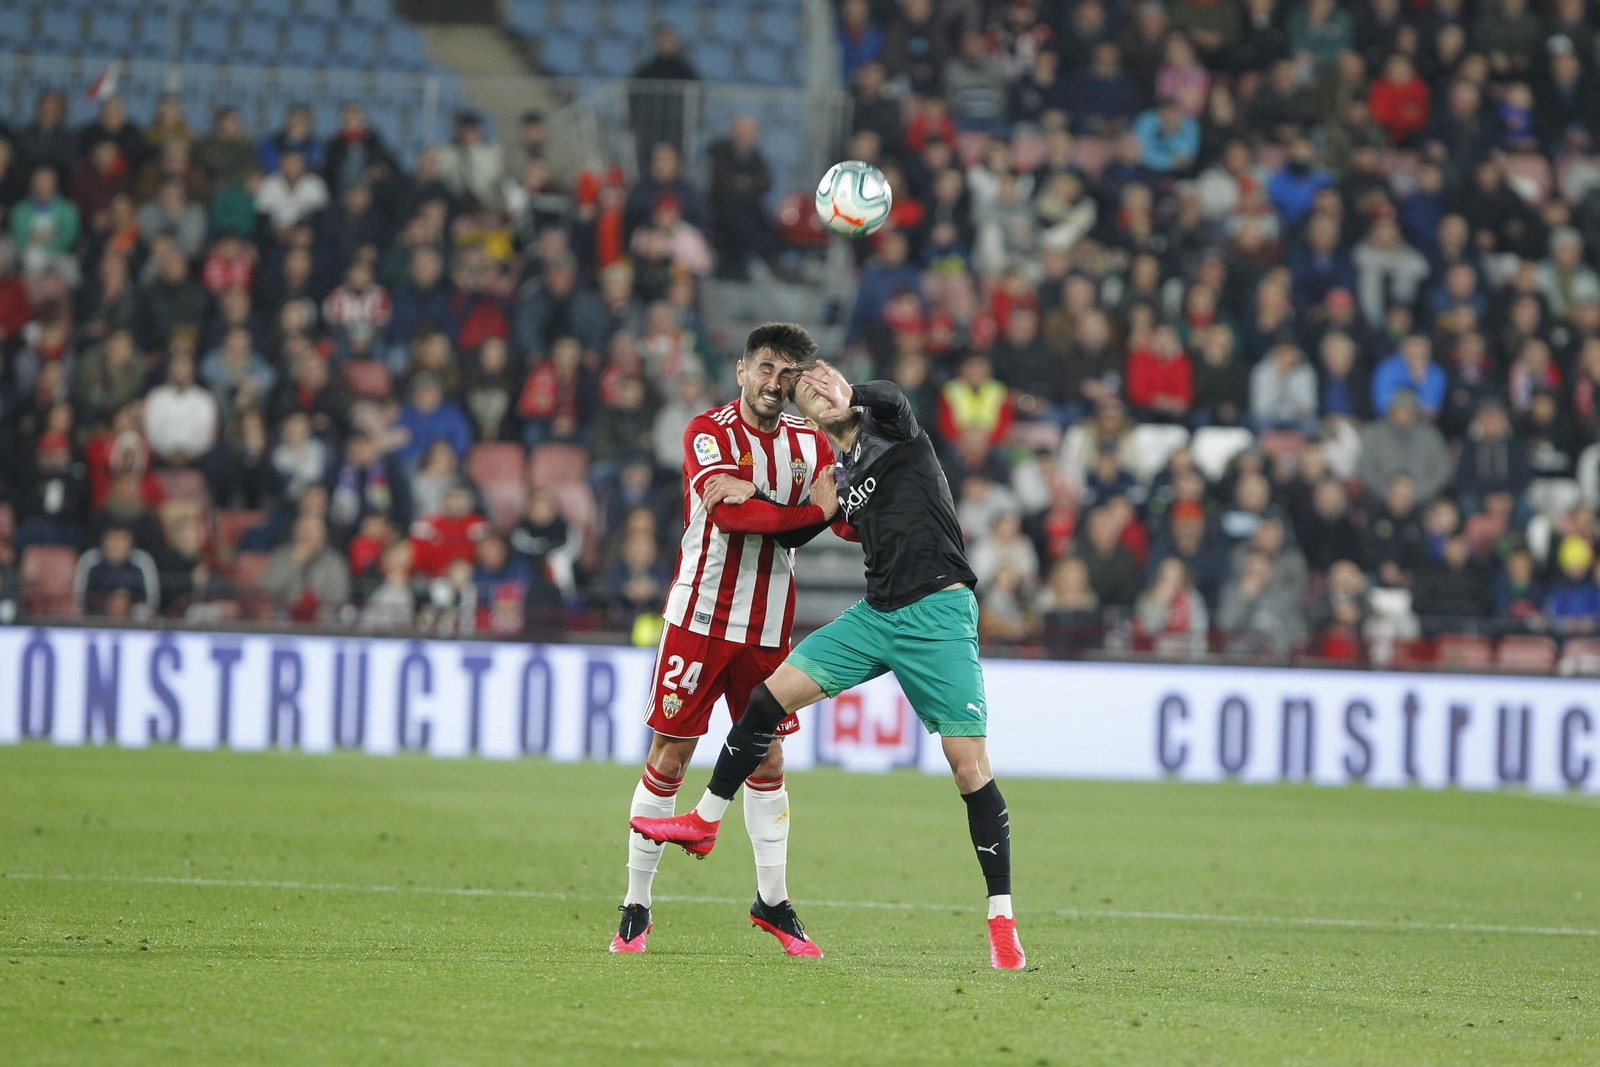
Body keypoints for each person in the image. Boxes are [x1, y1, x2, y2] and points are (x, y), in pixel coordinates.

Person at [630, 359, 1028, 970]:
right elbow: (799, 533)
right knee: (768, 698)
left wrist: (852, 393)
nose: (818, 390)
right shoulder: (836, 473)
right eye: (805, 391)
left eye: (824, 379)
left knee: (968, 766)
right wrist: (755, 492)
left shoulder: (892, 427)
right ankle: (706, 821)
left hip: (940, 614)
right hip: (876, 616)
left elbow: (893, 393)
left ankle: (1001, 916)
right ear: (805, 417)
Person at [610, 324, 837, 958]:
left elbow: (832, 517)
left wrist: (831, 505)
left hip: (767, 630)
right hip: (700, 618)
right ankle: (636, 905)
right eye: (765, 367)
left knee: (767, 761)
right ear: (740, 370)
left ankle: (773, 902)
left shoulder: (808, 441)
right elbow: (735, 518)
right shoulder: (707, 433)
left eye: (787, 373)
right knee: (672, 752)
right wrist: (810, 510)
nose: (774, 382)